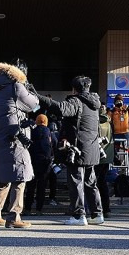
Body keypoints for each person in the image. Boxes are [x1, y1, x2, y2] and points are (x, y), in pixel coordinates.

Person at [39, 77, 104, 226]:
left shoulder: (76, 101)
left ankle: (78, 215)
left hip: (78, 148)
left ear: (74, 89)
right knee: (90, 182)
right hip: (91, 148)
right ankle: (97, 214)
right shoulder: (94, 104)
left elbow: (61, 108)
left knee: (76, 182)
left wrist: (38, 97)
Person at [0, 60, 40, 229]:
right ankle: (14, 216)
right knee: (20, 175)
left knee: (3, 177)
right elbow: (34, 105)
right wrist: (29, 89)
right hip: (13, 138)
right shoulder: (16, 86)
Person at [24, 113, 53, 215]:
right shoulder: (49, 133)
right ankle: (39, 209)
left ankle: (27, 208)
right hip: (45, 163)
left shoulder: (32, 132)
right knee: (42, 187)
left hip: (32, 161)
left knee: (30, 187)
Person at [95, 104, 114, 218]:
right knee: (102, 183)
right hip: (107, 156)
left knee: (93, 183)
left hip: (98, 156)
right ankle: (106, 209)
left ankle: (96, 208)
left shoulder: (97, 122)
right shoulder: (109, 123)